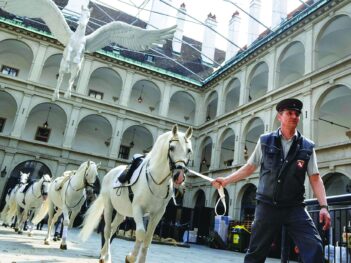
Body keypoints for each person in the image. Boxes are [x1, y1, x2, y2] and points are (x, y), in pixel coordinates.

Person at [212, 98, 331, 263]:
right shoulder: (265, 141)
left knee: (315, 247)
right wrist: (226, 180)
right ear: (279, 117)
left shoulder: (307, 146)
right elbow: (249, 167)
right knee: (255, 254)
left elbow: (315, 178)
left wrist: (324, 206)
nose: (294, 116)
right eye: (290, 113)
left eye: (297, 114)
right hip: (267, 206)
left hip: (294, 208)